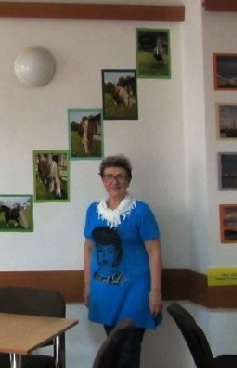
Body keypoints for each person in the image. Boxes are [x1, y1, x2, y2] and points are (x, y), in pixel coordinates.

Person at [83, 154, 162, 368]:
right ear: (102, 180)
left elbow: (154, 251)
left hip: (135, 293)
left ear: (128, 180)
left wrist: (155, 291)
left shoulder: (141, 211)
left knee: (128, 353)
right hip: (104, 292)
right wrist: (87, 286)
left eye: (120, 176)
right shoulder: (93, 211)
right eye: (109, 176)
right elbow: (88, 248)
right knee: (113, 352)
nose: (114, 181)